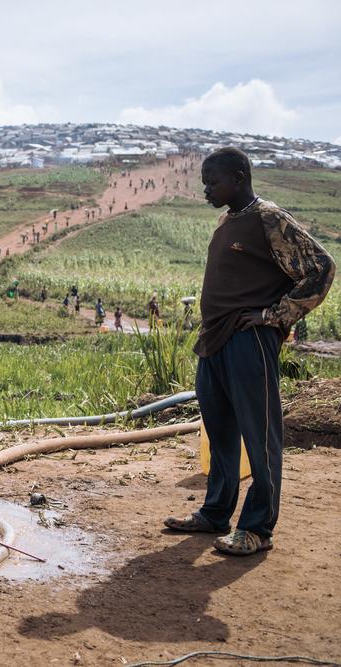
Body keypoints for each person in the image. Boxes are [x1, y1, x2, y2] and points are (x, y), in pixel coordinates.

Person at [164, 147, 335, 556]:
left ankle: (257, 528)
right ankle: (216, 513)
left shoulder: (269, 219)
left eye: (213, 182)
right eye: (205, 182)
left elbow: (321, 268)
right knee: (220, 432)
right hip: (215, 341)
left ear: (239, 178)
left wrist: (274, 315)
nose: (206, 190)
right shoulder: (228, 222)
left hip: (248, 342)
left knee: (259, 436)